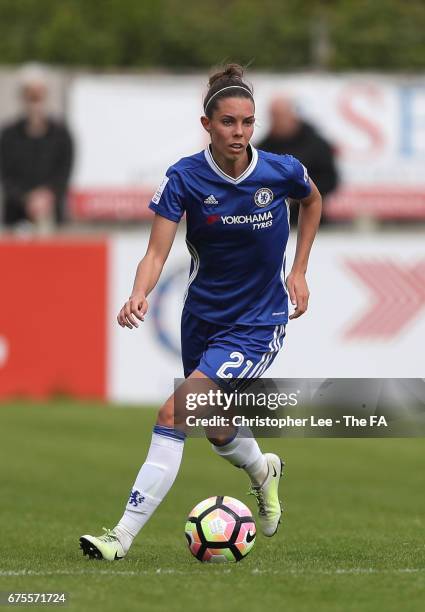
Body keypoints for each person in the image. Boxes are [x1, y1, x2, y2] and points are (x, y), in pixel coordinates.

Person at [80, 64, 322, 561]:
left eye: (248, 122)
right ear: (207, 123)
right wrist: (138, 293)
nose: (240, 132)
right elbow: (156, 252)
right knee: (216, 426)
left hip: (258, 323)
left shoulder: (281, 170)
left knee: (175, 411)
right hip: (202, 319)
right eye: (229, 122)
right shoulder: (185, 177)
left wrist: (299, 270)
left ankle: (119, 537)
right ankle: (263, 470)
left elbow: (312, 200)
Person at [0, 64, 73, 229]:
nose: (35, 99)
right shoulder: (8, 135)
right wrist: (27, 198)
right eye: (30, 94)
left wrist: (46, 196)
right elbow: (6, 176)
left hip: (53, 220)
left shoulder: (61, 135)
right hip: (15, 219)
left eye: (38, 94)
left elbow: (64, 173)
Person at [257, 95, 338, 225]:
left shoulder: (317, 145)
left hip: (313, 219)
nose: (277, 121)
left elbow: (330, 180)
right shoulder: (262, 149)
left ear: (293, 114)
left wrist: (301, 192)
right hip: (273, 222)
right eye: (273, 116)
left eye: (281, 116)